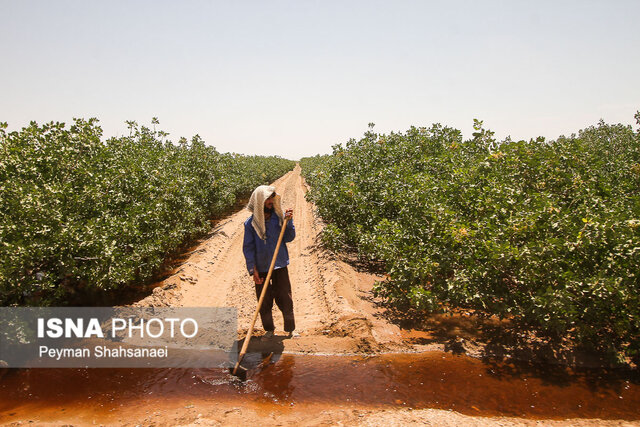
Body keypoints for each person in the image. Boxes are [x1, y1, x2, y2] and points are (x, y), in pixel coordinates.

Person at [242, 185, 296, 340]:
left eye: (272, 198)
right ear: (259, 202)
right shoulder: (250, 224)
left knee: (285, 297)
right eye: (268, 199)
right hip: (261, 267)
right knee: (264, 301)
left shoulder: (279, 219)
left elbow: (289, 238)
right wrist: (253, 270)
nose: (271, 201)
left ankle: (290, 330)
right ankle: (269, 330)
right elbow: (248, 248)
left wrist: (289, 222)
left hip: (279, 264)